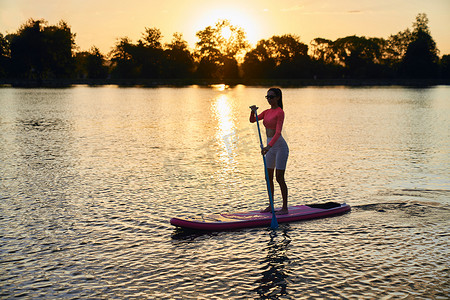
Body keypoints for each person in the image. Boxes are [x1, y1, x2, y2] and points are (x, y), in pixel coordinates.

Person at [250, 88, 289, 215]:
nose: (269, 99)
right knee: (268, 177)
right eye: (267, 97)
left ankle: (284, 208)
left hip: (279, 148)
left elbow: (278, 132)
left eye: (271, 97)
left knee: (279, 178)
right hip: (270, 148)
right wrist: (253, 112)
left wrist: (268, 147)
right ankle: (271, 205)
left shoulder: (280, 112)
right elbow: (253, 120)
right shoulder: (266, 112)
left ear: (278, 97)